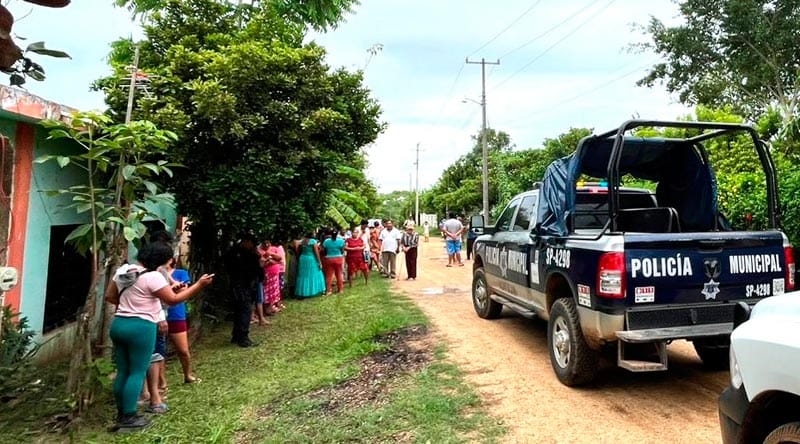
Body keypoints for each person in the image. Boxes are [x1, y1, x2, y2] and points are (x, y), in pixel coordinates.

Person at [105, 242, 213, 432]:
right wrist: (199, 285)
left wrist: (132, 303)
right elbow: (172, 300)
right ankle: (129, 417)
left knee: (123, 371)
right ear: (161, 261)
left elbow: (110, 297)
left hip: (119, 324)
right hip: (141, 327)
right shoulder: (153, 276)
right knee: (137, 371)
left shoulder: (123, 271)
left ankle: (121, 413)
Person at [164, 258, 199, 384]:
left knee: (183, 350)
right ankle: (161, 382)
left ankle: (187, 374)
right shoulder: (153, 274)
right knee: (158, 352)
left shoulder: (180, 273)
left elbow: (184, 291)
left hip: (176, 314)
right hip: (158, 316)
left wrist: (168, 278)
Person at [225, 234, 263, 347]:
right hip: (243, 286)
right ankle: (243, 337)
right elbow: (255, 270)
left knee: (239, 311)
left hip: (239, 285)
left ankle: (237, 335)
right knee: (244, 311)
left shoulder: (234, 253)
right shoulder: (246, 255)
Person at [295, 231, 326, 298]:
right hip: (311, 259)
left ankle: (303, 292)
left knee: (303, 275)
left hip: (303, 258)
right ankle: (312, 291)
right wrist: (319, 262)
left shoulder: (302, 241)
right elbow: (316, 253)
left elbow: (298, 251)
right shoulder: (313, 241)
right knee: (313, 273)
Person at [260, 238, 284, 315]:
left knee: (273, 291)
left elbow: (280, 259)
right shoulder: (259, 251)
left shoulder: (273, 249)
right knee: (266, 291)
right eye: (265, 243)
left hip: (274, 274)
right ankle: (266, 309)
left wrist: (270, 255)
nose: (267, 245)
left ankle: (271, 307)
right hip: (266, 274)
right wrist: (270, 261)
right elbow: (262, 264)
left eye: (268, 243)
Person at [322, 228, 346, 295]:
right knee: (339, 274)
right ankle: (340, 289)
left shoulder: (326, 241)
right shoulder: (341, 241)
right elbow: (342, 250)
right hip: (338, 258)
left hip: (329, 258)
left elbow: (324, 250)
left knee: (328, 275)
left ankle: (328, 291)